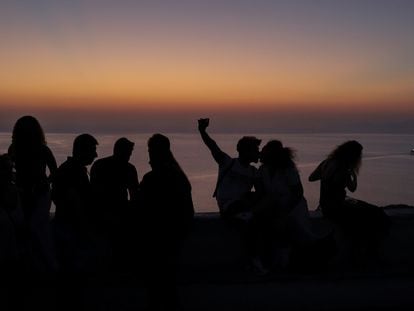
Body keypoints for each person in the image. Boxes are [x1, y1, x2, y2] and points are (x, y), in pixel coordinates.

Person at [253, 140, 333, 273]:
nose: (261, 153)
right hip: (275, 207)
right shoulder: (263, 170)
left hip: (293, 207)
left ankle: (289, 263)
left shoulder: (287, 169)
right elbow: (261, 192)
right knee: (277, 232)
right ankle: (282, 263)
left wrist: (284, 212)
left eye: (264, 151)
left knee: (296, 233)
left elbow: (297, 192)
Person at [309, 140, 390, 268]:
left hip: (326, 206)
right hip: (338, 207)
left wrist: (326, 176)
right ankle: (368, 254)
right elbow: (352, 188)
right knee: (375, 214)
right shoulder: (343, 168)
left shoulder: (326, 163)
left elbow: (311, 177)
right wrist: (353, 175)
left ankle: (361, 255)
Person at [140, 133, 194, 311]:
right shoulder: (178, 176)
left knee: (158, 286)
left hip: (158, 238)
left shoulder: (152, 178)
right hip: (173, 237)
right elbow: (187, 210)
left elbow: (142, 207)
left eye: (150, 150)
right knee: (168, 284)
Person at [8, 115, 58, 276]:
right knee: (30, 229)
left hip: (39, 193)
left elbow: (54, 173)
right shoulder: (15, 149)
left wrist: (45, 183)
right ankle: (40, 265)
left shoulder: (41, 150)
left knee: (36, 228)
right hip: (23, 193)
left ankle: (47, 266)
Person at [90, 137, 139, 272]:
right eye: (127, 153)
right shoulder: (129, 169)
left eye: (129, 153)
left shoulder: (99, 165)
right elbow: (135, 195)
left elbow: (92, 192)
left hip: (104, 214)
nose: (128, 156)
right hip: (115, 215)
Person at [52, 133, 99, 274]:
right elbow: (75, 202)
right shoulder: (74, 172)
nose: (95, 155)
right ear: (82, 151)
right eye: (92, 150)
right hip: (72, 230)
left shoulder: (68, 169)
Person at [197, 118, 260, 220]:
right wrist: (202, 131)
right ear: (247, 151)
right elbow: (213, 146)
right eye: (256, 150)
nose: (258, 153)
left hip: (244, 208)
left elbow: (261, 193)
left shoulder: (254, 172)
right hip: (228, 207)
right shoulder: (227, 163)